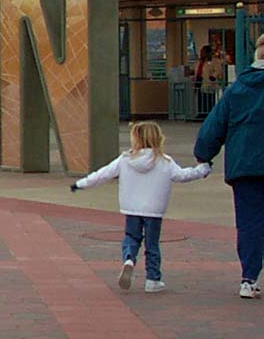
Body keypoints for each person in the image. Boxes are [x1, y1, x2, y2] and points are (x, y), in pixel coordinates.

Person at [70, 121, 210, 293]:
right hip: (154, 209)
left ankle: (129, 258)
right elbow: (183, 175)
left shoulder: (126, 159)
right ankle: (153, 279)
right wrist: (203, 169)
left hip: (132, 207)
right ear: (158, 138)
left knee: (131, 236)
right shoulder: (165, 161)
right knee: (152, 243)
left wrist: (81, 184)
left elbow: (103, 174)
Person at [195, 32, 264, 300]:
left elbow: (213, 127)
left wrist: (204, 155)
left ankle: (248, 278)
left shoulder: (236, 90)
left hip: (244, 167)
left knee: (249, 223)